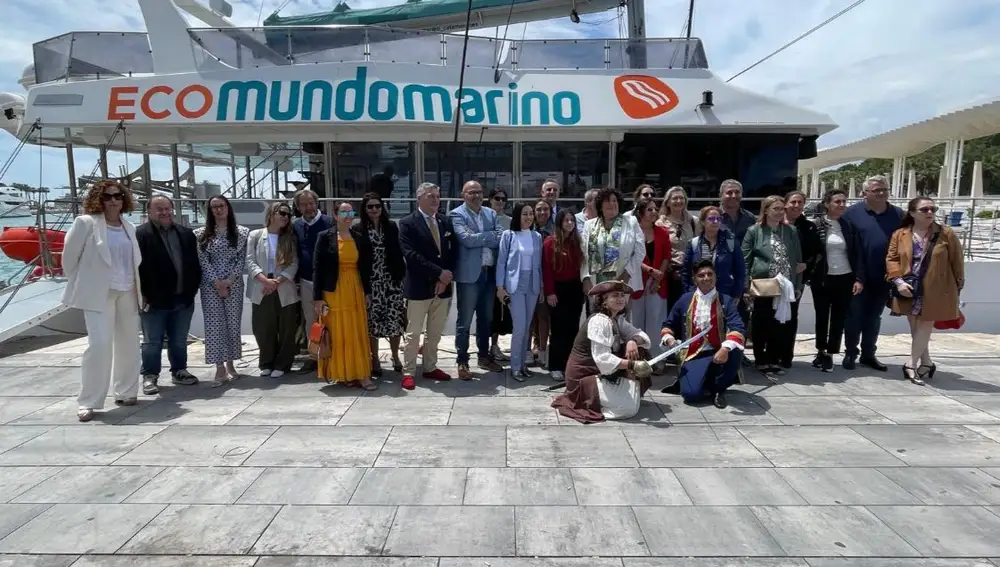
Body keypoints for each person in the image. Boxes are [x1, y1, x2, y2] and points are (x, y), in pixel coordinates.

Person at [61, 180, 143, 422]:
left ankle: (126, 391)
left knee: (129, 343)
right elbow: (68, 260)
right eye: (108, 197)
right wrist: (85, 282)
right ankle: (88, 401)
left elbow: (133, 262)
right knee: (99, 346)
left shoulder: (129, 226)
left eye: (117, 196)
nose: (114, 200)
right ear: (99, 199)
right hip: (99, 292)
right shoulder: (86, 223)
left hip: (127, 289)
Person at [887, 196, 965, 385]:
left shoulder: (946, 233)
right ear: (912, 213)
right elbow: (892, 259)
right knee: (916, 326)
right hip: (909, 286)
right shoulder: (900, 234)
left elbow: (957, 261)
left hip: (936, 288)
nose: (930, 212)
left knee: (925, 324)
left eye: (933, 209)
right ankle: (927, 362)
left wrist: (958, 286)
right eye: (924, 209)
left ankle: (910, 364)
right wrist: (898, 282)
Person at [551, 279, 653, 424]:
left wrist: (633, 341)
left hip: (601, 374)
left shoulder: (616, 319)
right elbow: (602, 359)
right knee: (628, 409)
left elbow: (643, 336)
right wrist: (632, 365)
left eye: (622, 295)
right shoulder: (599, 321)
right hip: (584, 378)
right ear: (604, 301)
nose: (620, 299)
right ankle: (591, 402)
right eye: (615, 295)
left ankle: (616, 397)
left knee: (639, 350)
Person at [136, 195, 202, 395]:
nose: (164, 212)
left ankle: (179, 371)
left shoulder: (186, 234)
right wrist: (143, 295)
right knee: (152, 341)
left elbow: (194, 263)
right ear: (149, 212)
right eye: (159, 209)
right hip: (154, 300)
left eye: (167, 208)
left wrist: (192, 288)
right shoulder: (140, 235)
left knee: (179, 339)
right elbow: (136, 268)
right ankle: (150, 376)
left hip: (183, 297)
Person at [660, 259, 747, 409]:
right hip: (694, 353)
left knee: (736, 349)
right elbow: (668, 326)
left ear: (715, 277)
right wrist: (669, 339)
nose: (706, 278)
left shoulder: (726, 300)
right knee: (691, 396)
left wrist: (725, 348)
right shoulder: (685, 300)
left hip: (719, 351)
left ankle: (719, 389)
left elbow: (738, 328)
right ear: (695, 279)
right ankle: (703, 381)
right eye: (701, 275)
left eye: (709, 274)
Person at [398, 182, 457, 390]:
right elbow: (411, 256)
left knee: (435, 332)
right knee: (414, 333)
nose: (435, 200)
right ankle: (409, 371)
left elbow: (452, 252)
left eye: (437, 196)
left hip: (443, 288)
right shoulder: (407, 223)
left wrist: (445, 278)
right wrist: (437, 274)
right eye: (430, 196)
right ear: (419, 198)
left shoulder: (445, 221)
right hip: (419, 287)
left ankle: (430, 367)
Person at [841, 175, 904, 371]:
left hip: (884, 277)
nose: (881, 193)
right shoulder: (851, 214)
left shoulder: (898, 214)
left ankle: (869, 354)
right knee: (854, 317)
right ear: (865, 193)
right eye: (876, 190)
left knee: (874, 318)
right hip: (857, 277)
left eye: (884, 190)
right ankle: (851, 353)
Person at [313, 202, 377, 390]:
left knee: (357, 332)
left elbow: (366, 268)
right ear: (335, 215)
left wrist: (367, 292)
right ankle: (344, 374)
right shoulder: (324, 237)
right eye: (343, 212)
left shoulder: (359, 237)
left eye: (351, 212)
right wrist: (317, 298)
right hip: (333, 291)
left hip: (355, 289)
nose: (348, 215)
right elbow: (317, 269)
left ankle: (362, 374)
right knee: (338, 332)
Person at [741, 195, 804, 374]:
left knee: (781, 323)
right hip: (764, 284)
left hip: (786, 285)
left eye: (781, 209)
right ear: (766, 210)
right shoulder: (755, 231)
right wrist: (746, 286)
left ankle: (774, 359)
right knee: (762, 322)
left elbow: (798, 261)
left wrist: (798, 286)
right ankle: (761, 359)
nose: (779, 212)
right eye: (775, 209)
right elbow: (745, 259)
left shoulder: (790, 231)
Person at [450, 180, 504, 379]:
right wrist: (488, 236)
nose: (476, 196)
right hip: (469, 276)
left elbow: (500, 237)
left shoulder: (490, 213)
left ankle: (484, 356)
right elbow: (465, 239)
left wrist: (480, 236)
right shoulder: (457, 214)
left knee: (486, 319)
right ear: (463, 195)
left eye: (479, 192)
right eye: (471, 192)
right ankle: (462, 361)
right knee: (464, 321)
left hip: (489, 273)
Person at [195, 195, 249, 386]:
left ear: (228, 207)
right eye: (214, 207)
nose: (218, 210)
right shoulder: (201, 234)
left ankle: (231, 363)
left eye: (222, 206)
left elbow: (241, 260)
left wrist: (229, 281)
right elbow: (203, 260)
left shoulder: (242, 233)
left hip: (233, 284)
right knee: (214, 325)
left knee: (233, 324)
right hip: (210, 285)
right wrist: (217, 282)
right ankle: (219, 366)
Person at [352, 192, 406, 376]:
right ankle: (374, 358)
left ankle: (395, 356)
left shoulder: (390, 226)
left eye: (377, 206)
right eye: (370, 206)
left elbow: (398, 252)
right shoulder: (358, 229)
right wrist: (364, 288)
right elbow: (358, 260)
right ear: (364, 209)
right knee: (372, 323)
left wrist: (401, 278)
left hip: (391, 281)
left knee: (394, 321)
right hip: (372, 282)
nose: (374, 209)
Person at [810, 188, 864, 372]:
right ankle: (821, 351)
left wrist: (858, 278)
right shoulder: (816, 225)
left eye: (843, 201)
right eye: (837, 202)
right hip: (823, 279)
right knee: (822, 317)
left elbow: (857, 253)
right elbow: (811, 253)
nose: (842, 205)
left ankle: (831, 353)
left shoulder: (848, 226)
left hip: (845, 278)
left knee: (838, 318)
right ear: (827, 204)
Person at [246, 201, 300, 378]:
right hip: (262, 287)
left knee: (287, 328)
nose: (286, 217)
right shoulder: (255, 235)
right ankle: (266, 362)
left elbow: (294, 263)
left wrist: (276, 281)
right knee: (263, 327)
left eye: (288, 215)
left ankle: (283, 364)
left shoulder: (290, 237)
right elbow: (250, 260)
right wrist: (265, 280)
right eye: (282, 213)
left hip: (283, 286)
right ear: (272, 214)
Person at [496, 202, 544, 381]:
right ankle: (515, 366)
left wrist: (541, 288)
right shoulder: (508, 235)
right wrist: (500, 287)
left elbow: (539, 265)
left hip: (532, 284)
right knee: (519, 327)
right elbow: (501, 262)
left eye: (531, 214)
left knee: (527, 328)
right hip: (514, 285)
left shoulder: (536, 236)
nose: (529, 217)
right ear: (517, 216)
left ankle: (523, 364)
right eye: (525, 214)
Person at [291, 189, 333, 373]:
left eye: (311, 203)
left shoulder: (329, 223)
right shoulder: (295, 226)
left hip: (327, 282)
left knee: (330, 319)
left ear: (317, 203)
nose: (308, 207)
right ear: (298, 207)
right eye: (303, 204)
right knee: (310, 320)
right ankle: (313, 356)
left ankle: (332, 355)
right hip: (306, 280)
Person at [542, 208, 585, 381]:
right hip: (558, 289)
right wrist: (550, 292)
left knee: (573, 328)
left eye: (572, 220)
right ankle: (555, 365)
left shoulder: (577, 242)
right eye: (566, 220)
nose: (569, 223)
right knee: (559, 329)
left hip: (575, 288)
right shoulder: (549, 243)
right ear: (559, 223)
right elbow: (547, 270)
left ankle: (569, 364)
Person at [580, 187, 645, 297]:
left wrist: (627, 274)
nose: (612, 203)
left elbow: (640, 252)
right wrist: (585, 277)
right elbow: (583, 254)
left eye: (614, 200)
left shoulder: (631, 222)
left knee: (620, 313)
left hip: (623, 281)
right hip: (596, 283)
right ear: (600, 205)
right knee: (598, 313)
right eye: (607, 200)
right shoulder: (589, 225)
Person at [781, 190, 821, 368]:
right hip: (774, 278)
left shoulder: (809, 227)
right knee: (771, 317)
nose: (796, 206)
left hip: (796, 280)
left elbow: (816, 252)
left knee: (791, 316)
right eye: (793, 202)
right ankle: (769, 354)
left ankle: (786, 355)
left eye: (800, 203)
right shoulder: (776, 223)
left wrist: (806, 265)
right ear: (785, 204)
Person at [629, 197, 671, 362]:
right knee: (635, 321)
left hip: (657, 284)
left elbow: (667, 257)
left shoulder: (663, 232)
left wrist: (658, 278)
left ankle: (657, 359)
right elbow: (630, 256)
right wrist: (650, 270)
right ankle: (637, 359)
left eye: (655, 209)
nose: (654, 212)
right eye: (650, 210)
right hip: (636, 281)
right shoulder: (632, 232)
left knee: (656, 321)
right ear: (640, 213)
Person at [682, 205, 745, 299]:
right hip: (699, 295)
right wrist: (689, 292)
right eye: (711, 219)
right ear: (703, 222)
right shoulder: (693, 243)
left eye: (718, 218)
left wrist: (736, 294)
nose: (715, 221)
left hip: (724, 295)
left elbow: (740, 271)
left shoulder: (731, 242)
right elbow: (686, 272)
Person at [657, 185, 698, 309]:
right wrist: (670, 270)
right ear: (667, 202)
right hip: (670, 274)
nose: (678, 201)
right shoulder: (660, 223)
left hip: (689, 273)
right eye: (674, 198)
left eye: (681, 198)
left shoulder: (693, 221)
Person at [488, 188, 513, 361]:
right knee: (486, 311)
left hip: (503, 272)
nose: (500, 202)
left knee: (500, 311)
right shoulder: (483, 217)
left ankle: (494, 345)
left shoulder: (510, 221)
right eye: (497, 198)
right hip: (486, 270)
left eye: (504, 199)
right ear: (490, 200)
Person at [718, 179, 756, 244]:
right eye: (729, 193)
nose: (733, 196)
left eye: (737, 192)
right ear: (721, 195)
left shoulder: (750, 218)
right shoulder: (712, 217)